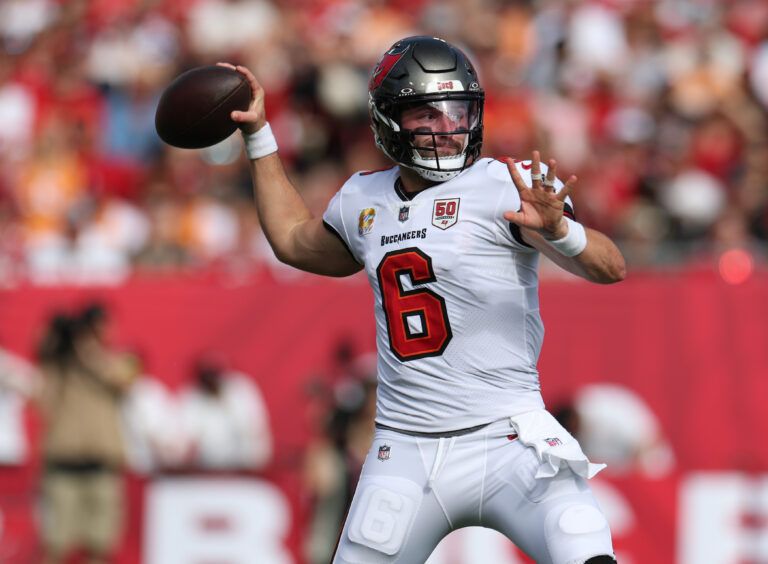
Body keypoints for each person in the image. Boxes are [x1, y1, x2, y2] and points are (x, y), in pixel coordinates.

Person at [221, 35, 626, 564]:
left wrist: (561, 232)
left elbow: (610, 267)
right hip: (407, 449)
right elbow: (294, 241)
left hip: (511, 438)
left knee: (587, 552)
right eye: (426, 113)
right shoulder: (362, 198)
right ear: (388, 120)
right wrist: (258, 134)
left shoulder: (506, 184)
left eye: (457, 110)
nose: (448, 126)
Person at [36, 304, 136, 564]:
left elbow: (125, 380)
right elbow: (42, 383)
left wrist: (88, 351)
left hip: (101, 463)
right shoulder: (58, 364)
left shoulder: (114, 361)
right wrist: (60, 339)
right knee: (56, 543)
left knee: (100, 544)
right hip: (63, 462)